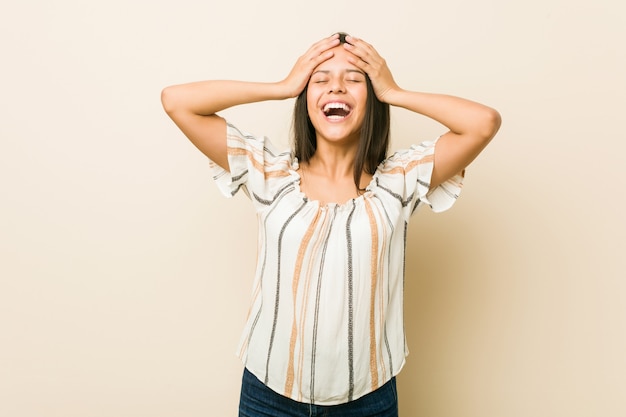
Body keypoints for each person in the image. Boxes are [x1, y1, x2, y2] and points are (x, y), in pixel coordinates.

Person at [161, 32, 501, 417]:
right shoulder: (270, 172)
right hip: (268, 395)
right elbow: (177, 101)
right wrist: (282, 87)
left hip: (368, 400)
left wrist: (392, 90)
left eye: (354, 79)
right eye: (319, 79)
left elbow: (483, 123)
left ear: (371, 101)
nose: (336, 86)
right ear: (306, 99)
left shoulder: (399, 180)